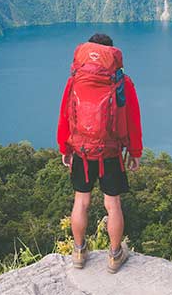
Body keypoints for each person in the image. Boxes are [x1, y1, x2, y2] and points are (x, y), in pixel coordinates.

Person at [56, 33, 143, 273]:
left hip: (82, 151)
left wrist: (65, 147)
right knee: (112, 204)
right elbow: (133, 120)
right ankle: (115, 255)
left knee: (81, 202)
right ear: (111, 54)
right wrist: (135, 152)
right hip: (111, 152)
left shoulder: (75, 80)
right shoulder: (122, 82)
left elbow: (65, 114)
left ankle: (78, 251)